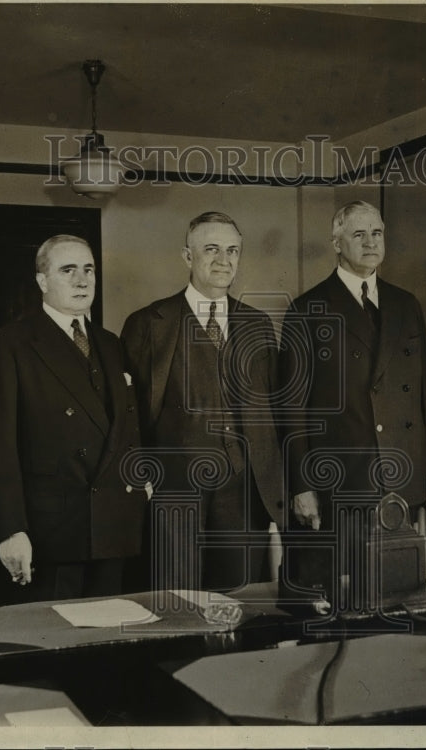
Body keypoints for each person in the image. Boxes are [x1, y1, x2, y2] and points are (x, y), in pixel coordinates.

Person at [279, 200, 426, 608]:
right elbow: (292, 409)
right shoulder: (308, 309)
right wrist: (302, 484)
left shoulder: (406, 304)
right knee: (347, 601)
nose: (370, 243)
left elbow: (424, 398)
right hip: (342, 483)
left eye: (377, 233)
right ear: (336, 242)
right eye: (359, 234)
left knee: (402, 598)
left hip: (402, 480)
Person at [121, 212, 285, 593]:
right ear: (187, 256)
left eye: (232, 251)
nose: (223, 260)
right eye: (211, 249)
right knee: (176, 600)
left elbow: (274, 413)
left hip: (243, 492)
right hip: (174, 491)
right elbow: (128, 415)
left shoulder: (258, 324)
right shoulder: (149, 323)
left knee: (239, 602)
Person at [0, 235, 146, 600]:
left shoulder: (110, 343)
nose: (82, 281)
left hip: (113, 525)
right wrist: (10, 529)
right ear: (42, 281)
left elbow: (125, 429)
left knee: (110, 627)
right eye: (68, 270)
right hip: (51, 532)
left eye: (89, 270)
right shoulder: (11, 343)